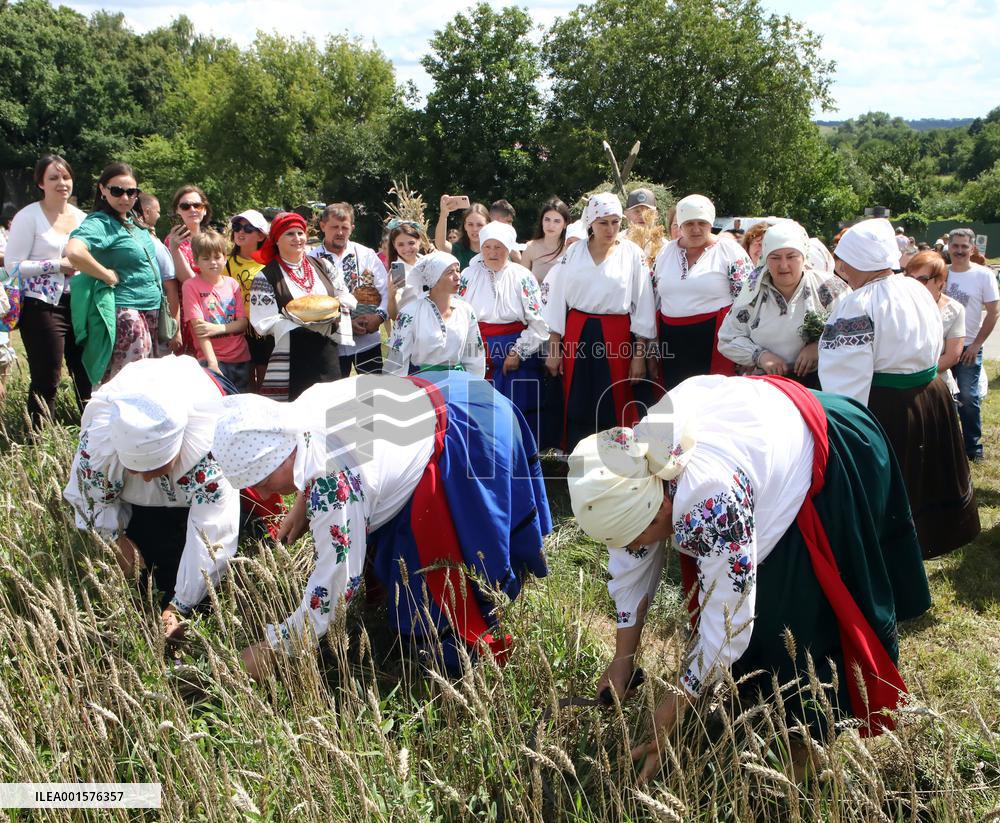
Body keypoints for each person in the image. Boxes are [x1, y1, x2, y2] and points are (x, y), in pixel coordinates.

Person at [567, 374, 932, 782]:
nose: (634, 548)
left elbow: (730, 621)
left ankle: (806, 742)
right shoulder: (633, 473)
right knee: (759, 606)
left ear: (661, 511)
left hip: (827, 443)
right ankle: (756, 701)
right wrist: (622, 661)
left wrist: (671, 710)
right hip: (760, 441)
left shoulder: (712, 500)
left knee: (795, 619)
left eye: (636, 538)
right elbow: (632, 570)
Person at [211, 370, 551, 680]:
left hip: (469, 433)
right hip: (451, 389)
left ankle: (471, 654)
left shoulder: (333, 484)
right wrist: (303, 499)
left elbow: (335, 584)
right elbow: (336, 450)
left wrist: (274, 649)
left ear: (283, 455)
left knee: (462, 581)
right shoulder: (302, 410)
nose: (265, 494)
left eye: (264, 481)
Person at [819, 218, 979, 558]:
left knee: (895, 482)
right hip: (930, 395)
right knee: (923, 476)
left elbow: (844, 373)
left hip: (888, 406)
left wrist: (845, 424)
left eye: (844, 260)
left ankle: (890, 553)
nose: (841, 268)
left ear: (859, 259)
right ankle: (928, 539)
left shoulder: (857, 304)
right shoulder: (916, 289)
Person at [63, 355, 241, 640]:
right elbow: (91, 497)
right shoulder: (98, 445)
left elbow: (214, 532)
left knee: (199, 575)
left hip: (195, 464)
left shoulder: (208, 451)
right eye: (135, 470)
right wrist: (114, 537)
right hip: (140, 494)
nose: (146, 479)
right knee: (149, 562)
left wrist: (179, 606)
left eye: (155, 470)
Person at [543, 193, 657, 453]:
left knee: (613, 397)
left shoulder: (632, 254)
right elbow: (558, 298)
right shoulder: (574, 252)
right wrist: (554, 346)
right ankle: (578, 456)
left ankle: (617, 458)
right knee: (577, 396)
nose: (610, 229)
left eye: (615, 222)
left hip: (617, 333)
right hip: (578, 331)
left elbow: (643, 303)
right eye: (603, 223)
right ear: (591, 222)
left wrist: (639, 354)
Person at [4, 154, 91, 426]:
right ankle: (38, 439)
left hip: (80, 304)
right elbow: (13, 266)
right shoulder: (28, 217)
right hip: (42, 305)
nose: (62, 183)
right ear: (40, 183)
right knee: (47, 377)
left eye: (66, 177)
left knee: (86, 373)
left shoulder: (83, 218)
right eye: (53, 178)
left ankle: (90, 434)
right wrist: (56, 265)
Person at [66, 162, 162, 387]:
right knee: (128, 387)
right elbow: (74, 251)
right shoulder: (101, 222)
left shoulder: (132, 221)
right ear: (102, 189)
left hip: (151, 310)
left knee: (149, 385)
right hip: (127, 313)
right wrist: (106, 275)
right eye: (117, 191)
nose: (125, 197)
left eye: (131, 192)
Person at [718, 220, 846, 388]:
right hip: (767, 384)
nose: (783, 265)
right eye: (775, 257)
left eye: (791, 256)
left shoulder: (829, 287)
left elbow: (849, 328)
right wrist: (760, 356)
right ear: (765, 258)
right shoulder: (753, 293)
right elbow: (727, 338)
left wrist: (819, 347)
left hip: (821, 381)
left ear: (804, 257)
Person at [248, 212, 356, 402]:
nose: (297, 238)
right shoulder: (265, 277)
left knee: (329, 406)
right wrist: (303, 322)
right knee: (298, 409)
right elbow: (263, 320)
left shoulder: (323, 265)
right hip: (292, 356)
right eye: (289, 234)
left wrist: (333, 312)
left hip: (327, 351)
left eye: (300, 233)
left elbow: (343, 295)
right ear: (276, 240)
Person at [653, 194, 754, 390]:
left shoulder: (729, 251)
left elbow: (747, 300)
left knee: (713, 397)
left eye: (702, 223)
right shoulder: (666, 252)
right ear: (680, 225)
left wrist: (745, 345)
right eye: (689, 223)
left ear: (711, 223)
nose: (696, 229)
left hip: (714, 339)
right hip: (671, 340)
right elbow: (654, 296)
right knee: (676, 396)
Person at [458, 221, 548, 437]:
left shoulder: (522, 276)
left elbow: (539, 322)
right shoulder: (468, 276)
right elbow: (457, 315)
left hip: (515, 352)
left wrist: (518, 352)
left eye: (498, 247)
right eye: (487, 247)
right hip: (476, 352)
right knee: (479, 415)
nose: (492, 252)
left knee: (517, 412)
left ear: (509, 248)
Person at [308, 203, 389, 377]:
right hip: (331, 345)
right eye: (334, 227)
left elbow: (386, 291)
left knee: (372, 390)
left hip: (367, 342)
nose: (340, 232)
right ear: (322, 226)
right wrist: (344, 325)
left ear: (352, 228)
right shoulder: (310, 260)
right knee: (335, 391)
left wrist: (379, 317)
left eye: (344, 227)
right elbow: (310, 303)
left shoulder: (366, 254)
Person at [384, 251, 485, 377]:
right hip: (421, 381)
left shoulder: (466, 310)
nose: (457, 276)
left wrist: (474, 382)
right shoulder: (410, 313)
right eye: (450, 272)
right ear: (434, 279)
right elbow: (397, 358)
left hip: (457, 381)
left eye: (458, 271)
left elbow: (474, 353)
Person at [945, 227, 999, 461]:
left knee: (968, 397)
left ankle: (972, 447)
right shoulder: (941, 273)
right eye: (955, 246)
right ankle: (946, 444)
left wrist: (976, 345)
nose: (959, 250)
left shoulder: (983, 275)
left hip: (969, 347)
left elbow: (994, 312)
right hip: (942, 347)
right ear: (949, 247)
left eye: (964, 246)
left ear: (972, 248)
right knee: (943, 397)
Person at [182, 231, 251, 392]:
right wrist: (212, 362)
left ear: (225, 258)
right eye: (206, 258)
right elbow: (200, 329)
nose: (213, 262)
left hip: (240, 357)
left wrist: (216, 328)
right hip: (212, 359)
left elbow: (242, 323)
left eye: (217, 257)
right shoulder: (191, 286)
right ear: (196, 261)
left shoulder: (232, 284)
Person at [905, 251, 964, 395]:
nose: (914, 284)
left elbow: (952, 356)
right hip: (900, 387)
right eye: (910, 278)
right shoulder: (897, 304)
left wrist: (916, 376)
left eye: (922, 279)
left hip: (936, 388)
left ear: (940, 282)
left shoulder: (955, 310)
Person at [225, 210, 270, 392]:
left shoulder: (269, 262)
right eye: (237, 227)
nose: (241, 232)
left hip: (266, 329)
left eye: (248, 228)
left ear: (261, 235)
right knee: (247, 380)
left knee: (266, 380)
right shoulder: (226, 263)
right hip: (240, 329)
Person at [384, 220, 430, 321]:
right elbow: (394, 316)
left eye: (411, 243)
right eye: (401, 244)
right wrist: (391, 297)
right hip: (411, 323)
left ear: (419, 241)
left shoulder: (428, 262)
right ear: (394, 245)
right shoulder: (397, 272)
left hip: (431, 319)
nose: (407, 248)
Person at [521, 198, 570, 285]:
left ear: (565, 224)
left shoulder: (570, 250)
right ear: (542, 221)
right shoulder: (530, 248)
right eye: (547, 219)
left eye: (557, 221)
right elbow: (521, 282)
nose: (551, 225)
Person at [435, 198, 489, 269]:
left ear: (488, 225)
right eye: (470, 224)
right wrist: (443, 214)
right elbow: (441, 245)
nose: (475, 229)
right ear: (465, 226)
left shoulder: (496, 249)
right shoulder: (458, 249)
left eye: (479, 225)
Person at [623, 188, 666, 268]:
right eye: (637, 211)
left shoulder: (664, 246)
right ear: (626, 214)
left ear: (656, 215)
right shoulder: (618, 242)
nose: (642, 216)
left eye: (648, 212)